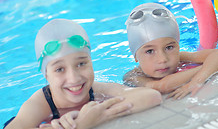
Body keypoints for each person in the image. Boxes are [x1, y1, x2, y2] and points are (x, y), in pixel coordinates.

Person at [4, 19, 162, 129]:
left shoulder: (97, 89)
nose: (74, 78)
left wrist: (100, 115)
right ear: (46, 75)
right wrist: (81, 124)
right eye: (59, 69)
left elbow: (152, 96)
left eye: (81, 64)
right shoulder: (41, 104)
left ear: (91, 62)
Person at [123, 3, 218, 100]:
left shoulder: (182, 57)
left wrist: (198, 80)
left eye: (169, 47)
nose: (163, 59)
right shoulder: (133, 77)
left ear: (178, 46)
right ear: (136, 56)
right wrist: (207, 67)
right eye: (150, 51)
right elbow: (162, 86)